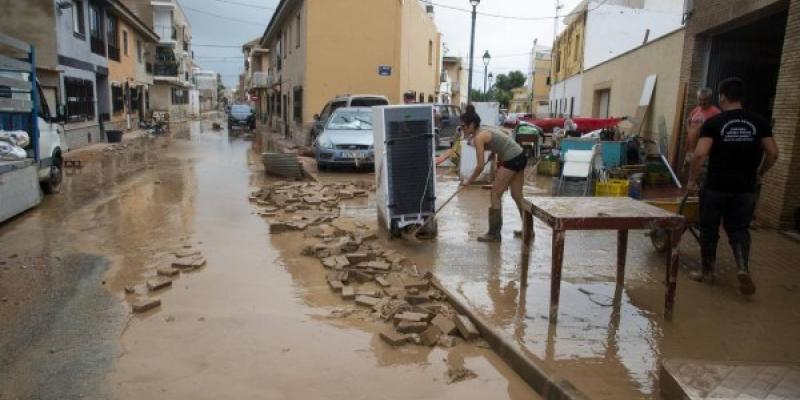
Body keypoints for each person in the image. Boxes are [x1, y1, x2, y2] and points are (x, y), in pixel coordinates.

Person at [687, 77, 779, 295]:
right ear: (741, 97)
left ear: (722, 97)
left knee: (709, 229)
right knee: (739, 229)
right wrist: (760, 172)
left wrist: (691, 180)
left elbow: (699, 154)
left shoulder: (714, 123)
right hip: (745, 188)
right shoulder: (759, 122)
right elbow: (773, 153)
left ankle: (707, 272)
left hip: (716, 186)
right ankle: (742, 268)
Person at [461, 104, 527, 242]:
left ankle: (494, 234)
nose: (463, 129)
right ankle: (528, 230)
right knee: (517, 195)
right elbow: (506, 134)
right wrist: (496, 151)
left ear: (472, 125)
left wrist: (469, 181)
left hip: (512, 160)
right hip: (520, 155)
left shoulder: (479, 138)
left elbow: (480, 166)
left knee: (495, 194)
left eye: (464, 126)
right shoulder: (484, 128)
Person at [684, 87, 721, 169]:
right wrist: (689, 131)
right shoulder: (696, 110)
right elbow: (688, 120)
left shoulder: (716, 112)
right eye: (700, 100)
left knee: (700, 173)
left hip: (704, 153)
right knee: (688, 172)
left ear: (710, 99)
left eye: (705, 100)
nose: (702, 102)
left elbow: (719, 131)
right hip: (690, 150)